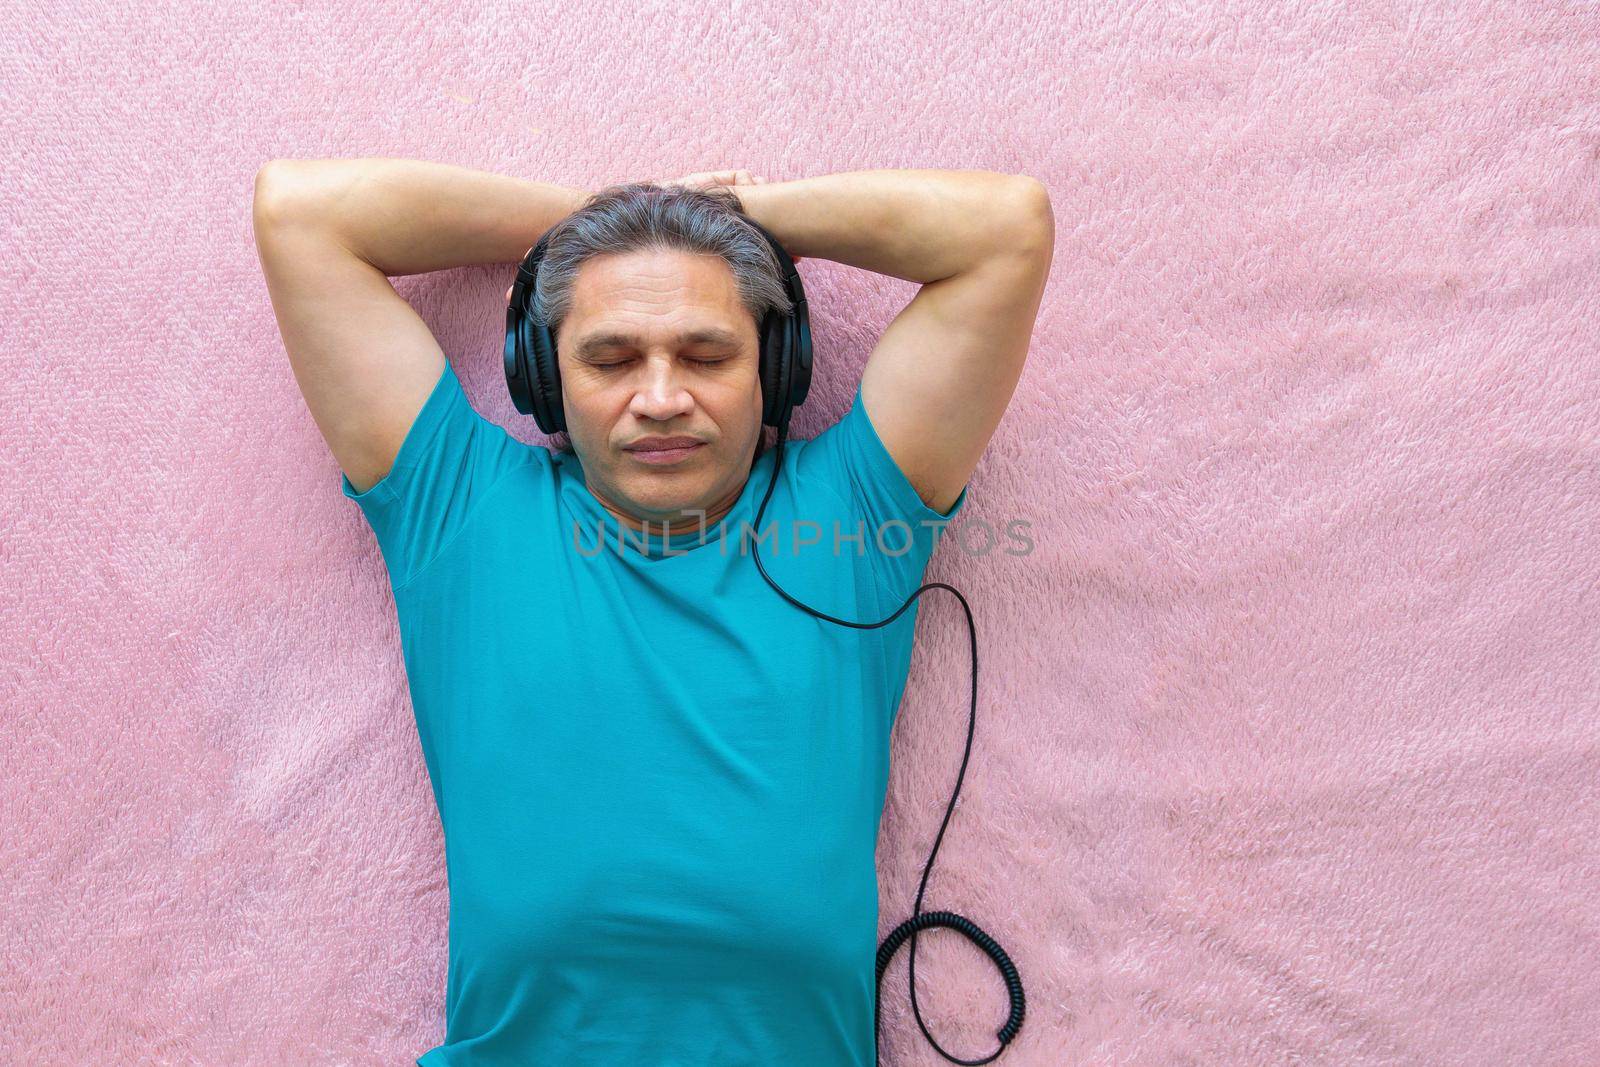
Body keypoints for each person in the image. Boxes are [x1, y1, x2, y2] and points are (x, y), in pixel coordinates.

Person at [251, 158, 1053, 1067]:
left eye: (708, 355)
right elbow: (301, 215)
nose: (662, 396)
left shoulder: (854, 512)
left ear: (777, 371)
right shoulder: (460, 509)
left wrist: (728, 215)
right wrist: (608, 218)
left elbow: (1007, 231)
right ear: (545, 378)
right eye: (611, 357)